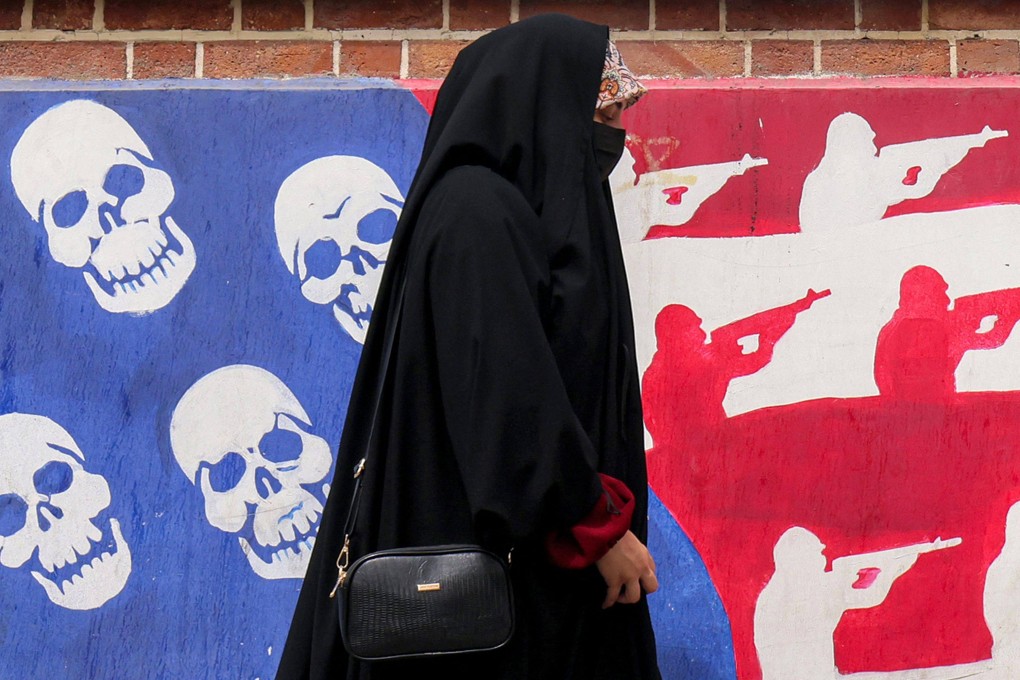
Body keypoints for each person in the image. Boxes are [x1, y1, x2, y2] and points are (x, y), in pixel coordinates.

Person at [277, 14, 661, 679]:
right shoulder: (477, 214)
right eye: (600, 107)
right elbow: (509, 404)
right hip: (503, 611)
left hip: (533, 594)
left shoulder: (505, 213)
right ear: (542, 103)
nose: (615, 130)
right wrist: (594, 526)